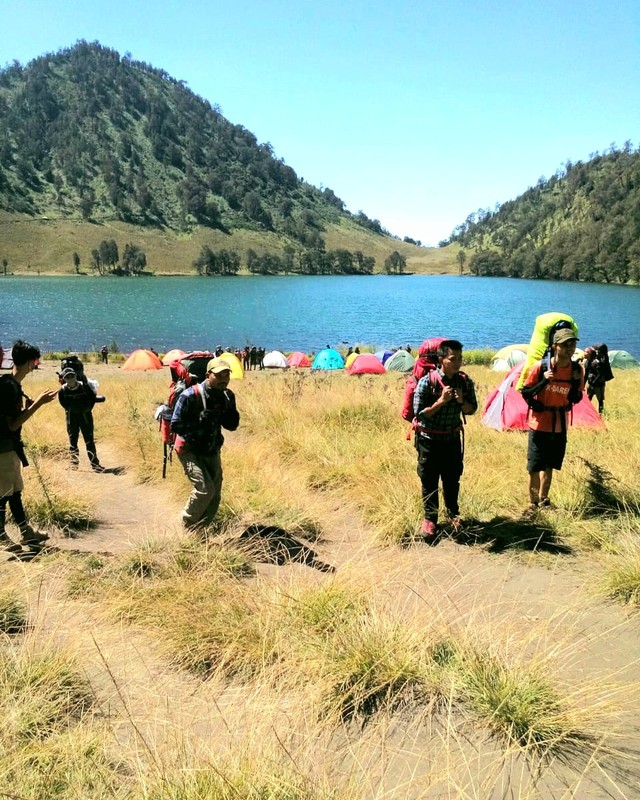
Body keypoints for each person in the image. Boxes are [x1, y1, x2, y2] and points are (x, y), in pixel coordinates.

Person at [413, 339, 477, 538]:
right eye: (452, 358)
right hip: (428, 440)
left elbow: (472, 409)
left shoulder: (465, 382)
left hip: (451, 439)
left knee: (452, 479)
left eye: (460, 358)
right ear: (441, 360)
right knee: (429, 480)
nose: (458, 362)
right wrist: (441, 402)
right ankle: (430, 520)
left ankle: (452, 514)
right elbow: (419, 415)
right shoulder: (427, 382)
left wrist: (461, 401)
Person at [0, 340, 58, 552]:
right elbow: (12, 424)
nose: (36, 364)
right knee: (5, 493)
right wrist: (37, 405)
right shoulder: (9, 387)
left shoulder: (11, 384)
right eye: (35, 360)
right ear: (27, 362)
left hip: (9, 447)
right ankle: (4, 537)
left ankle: (25, 533)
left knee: (13, 491)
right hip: (4, 447)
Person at [170, 357, 239, 530]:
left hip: (211, 448)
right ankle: (187, 523)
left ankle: (201, 531)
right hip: (188, 449)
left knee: (214, 495)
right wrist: (198, 423)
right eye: (219, 375)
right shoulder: (190, 395)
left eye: (226, 375)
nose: (224, 379)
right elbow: (175, 424)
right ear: (208, 375)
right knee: (204, 489)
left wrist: (230, 415)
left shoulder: (227, 396)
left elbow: (231, 426)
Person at [521, 328, 584, 512]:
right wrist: (538, 397)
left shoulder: (576, 370)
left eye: (572, 344)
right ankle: (532, 503)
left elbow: (576, 398)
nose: (570, 348)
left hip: (559, 425)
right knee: (534, 466)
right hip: (539, 424)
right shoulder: (541, 368)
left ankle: (543, 499)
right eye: (565, 345)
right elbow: (525, 391)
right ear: (555, 346)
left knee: (549, 466)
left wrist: (574, 382)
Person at [58, 367, 104, 471]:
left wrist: (85, 410)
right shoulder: (62, 390)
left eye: (72, 376)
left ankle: (95, 465)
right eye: (67, 377)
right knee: (72, 442)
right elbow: (63, 404)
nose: (70, 378)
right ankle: (74, 465)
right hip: (72, 418)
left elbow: (91, 400)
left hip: (85, 417)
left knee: (89, 441)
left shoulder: (85, 387)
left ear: (75, 376)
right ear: (64, 379)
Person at [584, 343, 613, 414]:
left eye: (586, 352)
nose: (584, 353)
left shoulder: (596, 363)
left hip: (598, 385)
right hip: (591, 384)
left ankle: (601, 414)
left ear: (590, 353)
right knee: (588, 399)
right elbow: (586, 374)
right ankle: (586, 413)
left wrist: (594, 382)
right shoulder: (587, 362)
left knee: (600, 400)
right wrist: (583, 384)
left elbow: (600, 373)